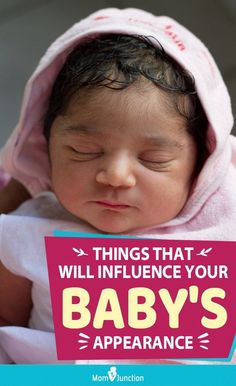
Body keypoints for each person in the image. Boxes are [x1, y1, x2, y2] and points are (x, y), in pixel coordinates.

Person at [0, 7, 235, 364]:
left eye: (153, 159)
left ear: (202, 164)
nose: (115, 176)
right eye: (84, 151)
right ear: (46, 148)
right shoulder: (27, 229)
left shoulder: (223, 233)